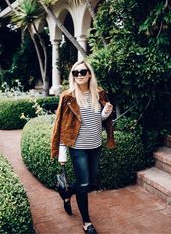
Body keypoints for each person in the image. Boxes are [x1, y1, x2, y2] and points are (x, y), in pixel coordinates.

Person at [51, 60, 116, 234]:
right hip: (77, 146)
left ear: (89, 74)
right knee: (84, 183)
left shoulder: (99, 93)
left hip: (95, 145)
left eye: (82, 72)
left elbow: (99, 120)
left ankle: (66, 194)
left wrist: (105, 113)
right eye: (75, 73)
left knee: (88, 180)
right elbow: (61, 124)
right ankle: (87, 222)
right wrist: (61, 150)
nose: (79, 75)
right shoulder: (68, 96)